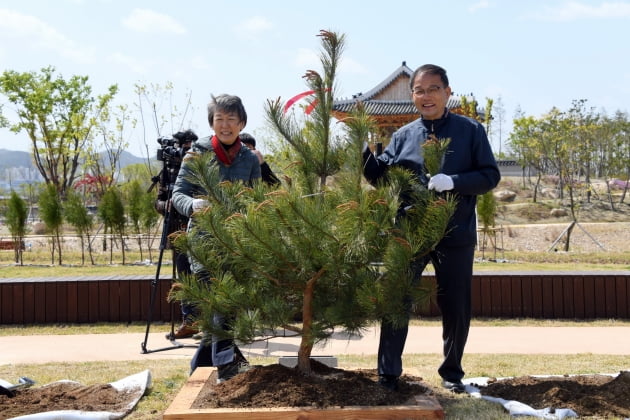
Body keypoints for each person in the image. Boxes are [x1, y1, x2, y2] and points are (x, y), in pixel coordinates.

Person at [362, 64, 500, 393]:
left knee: (456, 305)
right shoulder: (403, 135)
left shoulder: (471, 131)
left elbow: (489, 176)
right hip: (409, 234)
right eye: (419, 91)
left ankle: (452, 373)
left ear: (447, 92)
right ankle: (388, 374)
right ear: (412, 96)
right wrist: (363, 154)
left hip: (456, 233)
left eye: (433, 89)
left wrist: (454, 180)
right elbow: (382, 179)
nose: (426, 96)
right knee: (397, 300)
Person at [172, 94, 262, 380]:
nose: (225, 125)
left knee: (225, 305)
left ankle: (200, 364)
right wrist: (191, 206)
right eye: (219, 120)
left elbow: (257, 199)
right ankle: (226, 365)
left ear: (242, 123)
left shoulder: (249, 159)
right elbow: (178, 193)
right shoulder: (197, 155)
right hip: (204, 241)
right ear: (212, 124)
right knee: (221, 300)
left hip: (237, 241)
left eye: (231, 120)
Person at [153, 130, 200, 340]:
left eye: (190, 146)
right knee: (184, 277)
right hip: (176, 231)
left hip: (200, 230)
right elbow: (158, 201)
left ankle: (209, 323)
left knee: (204, 276)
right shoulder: (169, 170)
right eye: (183, 146)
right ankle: (189, 322)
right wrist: (168, 205)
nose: (186, 151)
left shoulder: (200, 167)